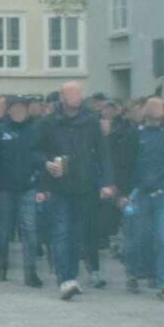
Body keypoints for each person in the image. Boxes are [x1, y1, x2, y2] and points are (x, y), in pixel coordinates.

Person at [36, 81, 115, 301]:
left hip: (84, 185)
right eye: (71, 94)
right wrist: (46, 163)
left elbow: (103, 152)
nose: (76, 97)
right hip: (58, 185)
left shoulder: (90, 121)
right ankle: (65, 279)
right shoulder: (49, 122)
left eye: (78, 93)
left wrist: (107, 182)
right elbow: (37, 151)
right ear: (62, 97)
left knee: (77, 234)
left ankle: (71, 275)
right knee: (61, 231)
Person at [119, 98, 164, 302]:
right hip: (139, 194)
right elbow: (125, 166)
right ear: (146, 113)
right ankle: (133, 274)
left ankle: (162, 283)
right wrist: (123, 195)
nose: (156, 116)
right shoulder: (134, 135)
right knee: (137, 238)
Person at [0, 97, 42, 287]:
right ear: (9, 111)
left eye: (23, 108)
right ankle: (2, 267)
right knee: (3, 231)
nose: (20, 111)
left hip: (28, 187)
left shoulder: (34, 131)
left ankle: (31, 272)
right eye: (16, 108)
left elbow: (40, 156)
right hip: (4, 189)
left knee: (30, 230)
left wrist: (37, 179)